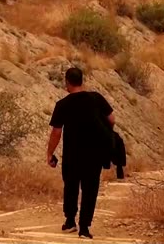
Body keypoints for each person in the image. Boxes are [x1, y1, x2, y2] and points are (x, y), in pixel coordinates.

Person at [46, 66, 114, 239]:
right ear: (82, 80)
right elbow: (112, 118)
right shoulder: (96, 98)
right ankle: (84, 227)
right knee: (90, 189)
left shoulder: (63, 104)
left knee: (71, 187)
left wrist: (49, 153)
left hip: (72, 154)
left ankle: (70, 221)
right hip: (94, 154)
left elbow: (56, 132)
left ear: (67, 82)